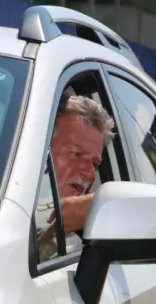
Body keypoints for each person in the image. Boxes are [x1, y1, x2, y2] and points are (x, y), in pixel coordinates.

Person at [38, 94, 115, 258]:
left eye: (95, 163)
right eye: (76, 154)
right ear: (39, 150)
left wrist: (104, 207)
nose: (89, 173)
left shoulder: (78, 244)